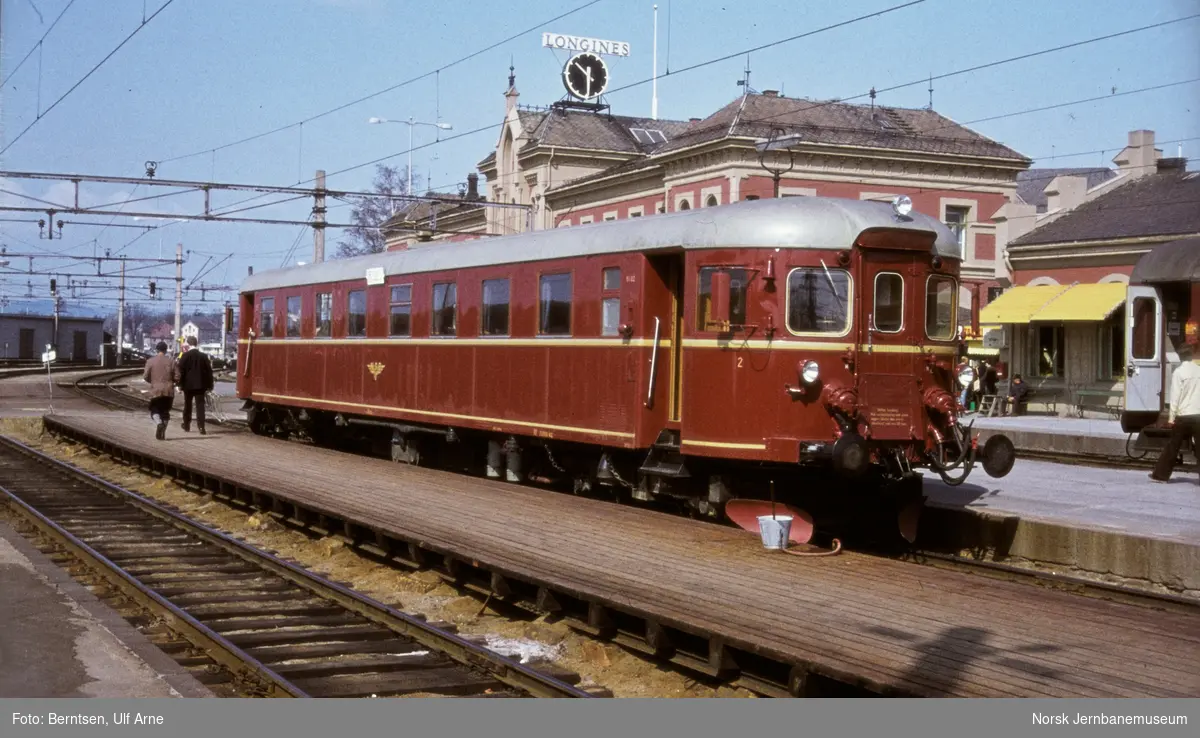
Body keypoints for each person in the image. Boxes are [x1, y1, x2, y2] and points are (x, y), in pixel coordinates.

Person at [1151, 342, 1200, 483]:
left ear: (1180, 357)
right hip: (1198, 415)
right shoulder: (1199, 370)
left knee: (1173, 446)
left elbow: (1175, 398)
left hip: (1183, 416)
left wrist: (1171, 418)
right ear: (1191, 356)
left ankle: (1161, 475)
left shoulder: (1178, 373)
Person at [176, 335, 215, 434]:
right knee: (200, 406)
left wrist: (179, 385)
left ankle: (186, 425)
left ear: (188, 344)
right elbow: (209, 372)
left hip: (188, 386)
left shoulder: (185, 356)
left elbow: (181, 372)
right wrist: (210, 385)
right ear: (196, 344)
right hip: (200, 386)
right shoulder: (203, 356)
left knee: (187, 405)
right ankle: (201, 427)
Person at [143, 341, 179, 441]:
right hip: (168, 390)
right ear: (166, 350)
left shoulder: (150, 361)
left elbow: (145, 376)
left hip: (155, 390)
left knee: (154, 409)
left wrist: (153, 381)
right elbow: (178, 376)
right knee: (165, 412)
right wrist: (173, 382)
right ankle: (162, 433)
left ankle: (159, 424)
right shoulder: (172, 361)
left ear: (157, 350)